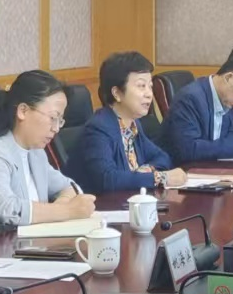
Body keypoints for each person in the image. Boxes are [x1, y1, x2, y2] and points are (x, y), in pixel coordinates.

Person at [0, 70, 99, 239]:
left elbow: (70, 187)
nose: (56, 128)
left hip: (31, 246)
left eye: (60, 120)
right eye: (53, 118)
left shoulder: (36, 153)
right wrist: (66, 211)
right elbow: (5, 208)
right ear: (23, 111)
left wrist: (62, 208)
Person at [71, 51, 186, 194]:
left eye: (150, 86)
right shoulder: (98, 128)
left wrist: (146, 171)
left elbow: (162, 157)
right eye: (141, 86)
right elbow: (107, 179)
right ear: (117, 93)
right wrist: (160, 177)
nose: (149, 94)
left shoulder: (132, 124)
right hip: (103, 205)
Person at [164, 51, 233, 163]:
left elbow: (229, 132)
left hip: (209, 167)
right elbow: (188, 149)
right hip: (180, 169)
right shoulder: (190, 99)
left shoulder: (225, 99)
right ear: (228, 78)